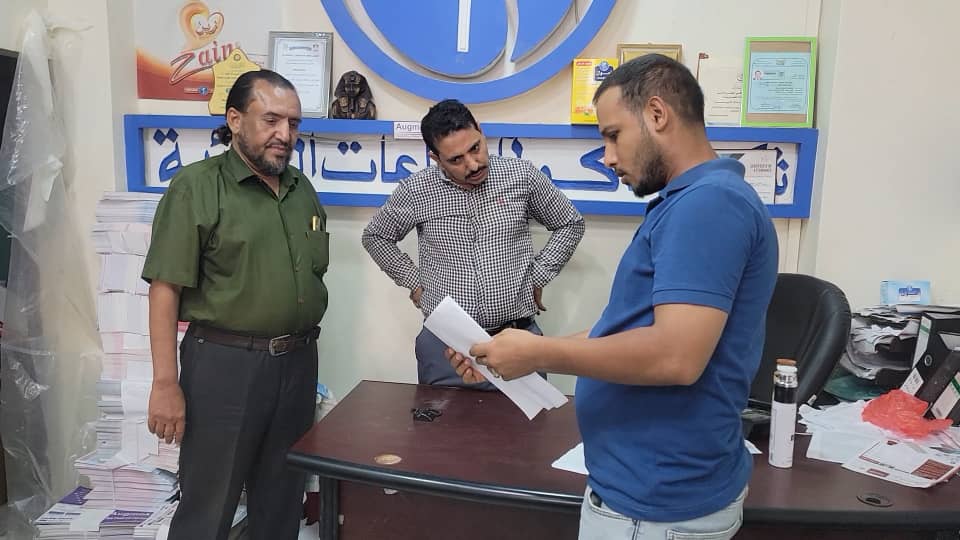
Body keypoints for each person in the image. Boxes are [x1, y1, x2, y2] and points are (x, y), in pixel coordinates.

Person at [447, 54, 779, 539]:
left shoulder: (709, 204)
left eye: (613, 135)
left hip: (657, 505)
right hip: (642, 492)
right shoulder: (689, 201)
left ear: (657, 114)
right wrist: (511, 351)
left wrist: (540, 353)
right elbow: (628, 331)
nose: (606, 156)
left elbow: (675, 357)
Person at [141, 70, 329, 540]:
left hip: (297, 365)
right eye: (271, 120)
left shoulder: (301, 189)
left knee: (281, 503)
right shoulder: (197, 187)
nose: (284, 134)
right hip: (224, 368)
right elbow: (165, 289)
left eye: (293, 123)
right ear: (235, 120)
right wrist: (165, 383)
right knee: (209, 507)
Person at [362, 99, 585, 389]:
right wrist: (415, 283)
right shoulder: (416, 190)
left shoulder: (521, 176)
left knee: (530, 421)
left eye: (475, 148)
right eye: (456, 159)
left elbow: (570, 222)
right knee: (442, 420)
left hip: (518, 342)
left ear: (479, 130)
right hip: (446, 349)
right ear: (435, 157)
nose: (473, 164)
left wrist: (538, 276)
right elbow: (376, 236)